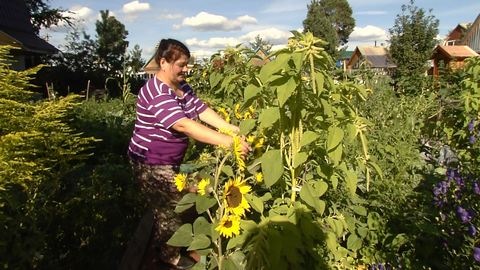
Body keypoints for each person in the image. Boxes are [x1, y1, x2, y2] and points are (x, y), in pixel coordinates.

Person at [128, 38, 250, 269]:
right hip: (150, 162)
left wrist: (233, 131)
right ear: (163, 62)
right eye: (182, 64)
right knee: (170, 211)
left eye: (188, 64)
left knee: (175, 205)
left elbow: (202, 111)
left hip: (170, 162)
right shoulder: (155, 91)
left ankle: (168, 244)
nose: (187, 69)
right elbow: (183, 125)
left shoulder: (181, 87)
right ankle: (169, 256)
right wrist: (228, 143)